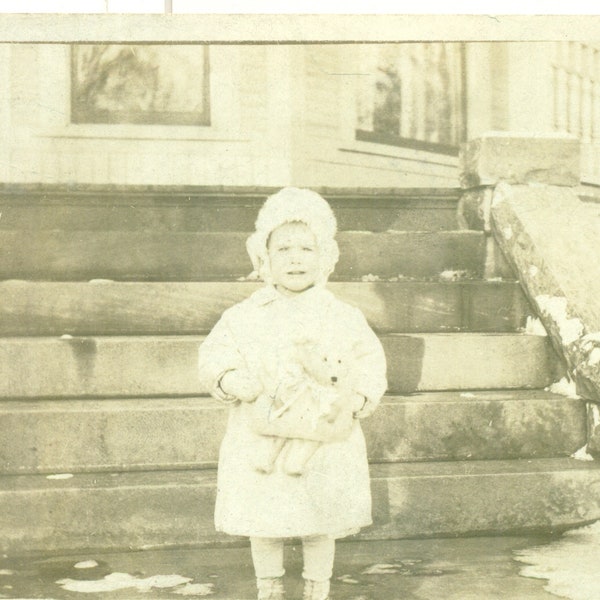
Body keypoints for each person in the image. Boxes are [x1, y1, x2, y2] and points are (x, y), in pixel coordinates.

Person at [198, 187, 387, 600]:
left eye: (307, 248)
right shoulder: (245, 315)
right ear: (263, 258)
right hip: (261, 432)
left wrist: (358, 398)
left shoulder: (342, 315)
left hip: (322, 435)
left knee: (319, 515)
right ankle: (269, 587)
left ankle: (317, 586)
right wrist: (230, 379)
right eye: (283, 248)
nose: (296, 257)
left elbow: (370, 361)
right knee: (264, 516)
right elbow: (214, 354)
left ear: (326, 258)